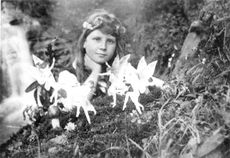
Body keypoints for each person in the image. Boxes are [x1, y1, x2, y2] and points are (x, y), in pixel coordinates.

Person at [72, 9, 126, 98]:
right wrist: (96, 71)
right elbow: (75, 105)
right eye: (97, 39)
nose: (103, 47)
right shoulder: (68, 74)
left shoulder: (123, 72)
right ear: (84, 42)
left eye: (110, 41)